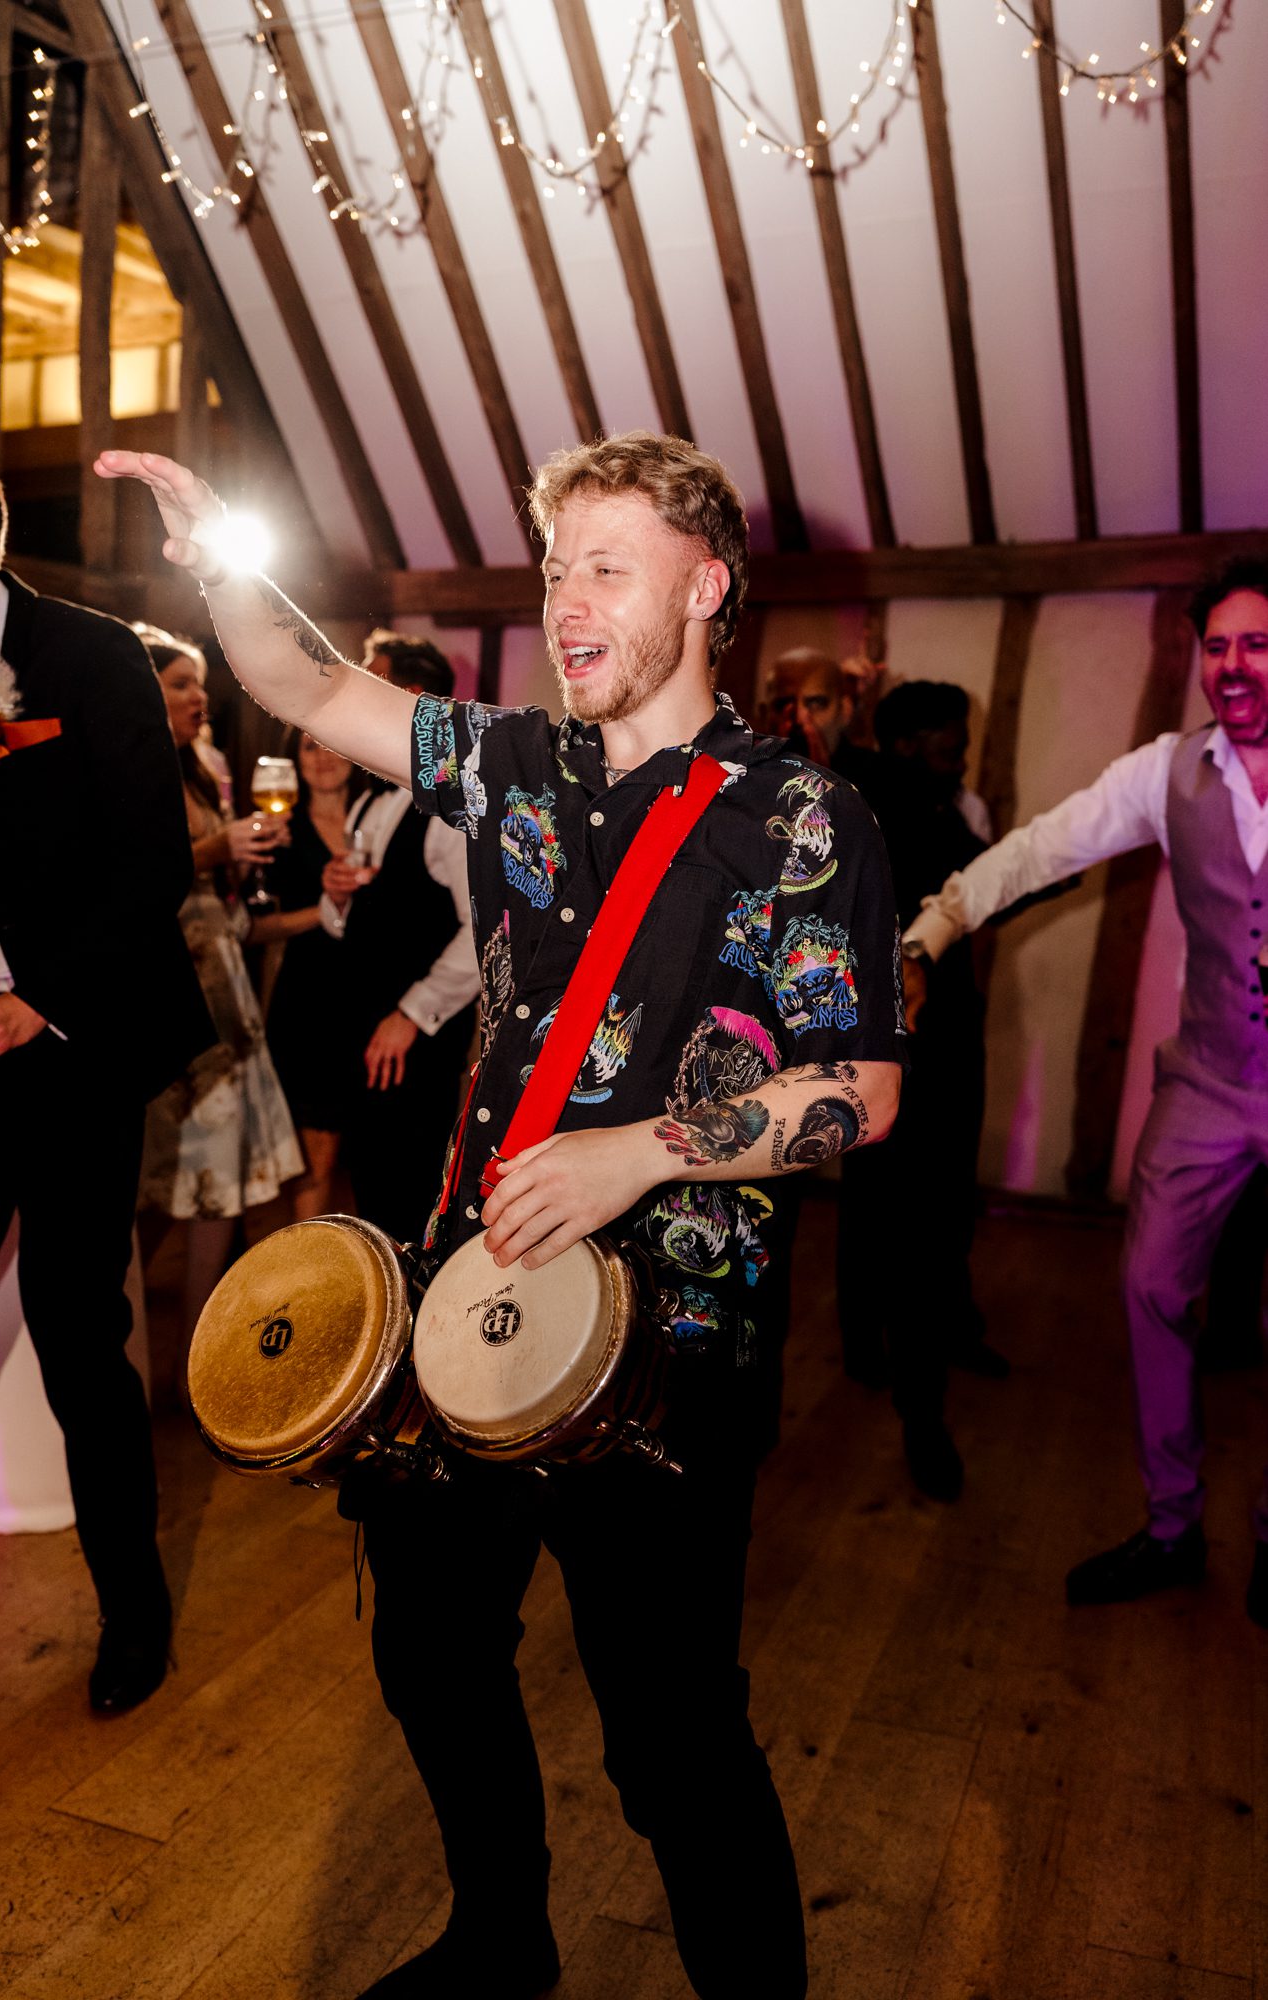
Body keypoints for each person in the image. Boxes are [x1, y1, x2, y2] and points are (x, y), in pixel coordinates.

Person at [97, 430, 905, 2000]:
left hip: (670, 1342)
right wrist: (219, 561)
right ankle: (500, 1938)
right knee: (430, 1647)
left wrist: (642, 1153)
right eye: (554, 571)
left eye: (606, 567)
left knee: (671, 1739)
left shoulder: (805, 819)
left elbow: (860, 1092)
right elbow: (308, 681)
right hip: (468, 1297)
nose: (567, 602)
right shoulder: (517, 761)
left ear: (706, 588)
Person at [901, 559, 1268, 1624]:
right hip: (1208, 1081)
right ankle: (1172, 1524)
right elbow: (1039, 848)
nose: (1233, 665)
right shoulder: (1167, 772)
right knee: (1150, 1283)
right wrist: (932, 928)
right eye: (1217, 646)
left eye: (1257, 644)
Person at [0, 444, 211, 1713]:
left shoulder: (89, 657)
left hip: (64, 1044)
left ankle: (134, 1614)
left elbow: (153, 861)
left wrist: (34, 1000)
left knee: (75, 1338)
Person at [833, 682, 1006, 1502]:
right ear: (905, 746)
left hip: (952, 1034)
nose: (961, 757)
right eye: (949, 744)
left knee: (933, 1208)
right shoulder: (874, 808)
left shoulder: (949, 807)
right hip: (890, 1042)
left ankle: (914, 1341)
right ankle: (908, 1398)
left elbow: (985, 881)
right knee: (894, 1216)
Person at [136, 628, 304, 1332]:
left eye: (201, 684)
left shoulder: (200, 768)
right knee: (156, 1181)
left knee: (221, 1181)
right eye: (181, 684)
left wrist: (243, 862)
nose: (199, 697)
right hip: (164, 986)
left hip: (221, 987)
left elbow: (217, 893)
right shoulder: (127, 767)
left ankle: (196, 1350)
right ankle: (133, 1331)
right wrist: (214, 848)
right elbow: (137, 876)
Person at [314, 631, 480, 1246]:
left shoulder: (450, 809)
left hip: (415, 1041)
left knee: (411, 1196)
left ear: (407, 696)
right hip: (361, 1030)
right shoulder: (368, 804)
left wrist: (412, 1013)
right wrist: (336, 897)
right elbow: (349, 924)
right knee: (369, 1188)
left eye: (370, 679)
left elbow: (484, 933)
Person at [263, 728, 372, 1220]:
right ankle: (306, 1259)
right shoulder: (278, 830)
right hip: (309, 1005)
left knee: (373, 1153)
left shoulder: (379, 815)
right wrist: (326, 910)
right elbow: (253, 927)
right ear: (294, 760)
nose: (323, 756)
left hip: (374, 1000)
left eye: (329, 742)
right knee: (316, 1157)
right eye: (309, 747)